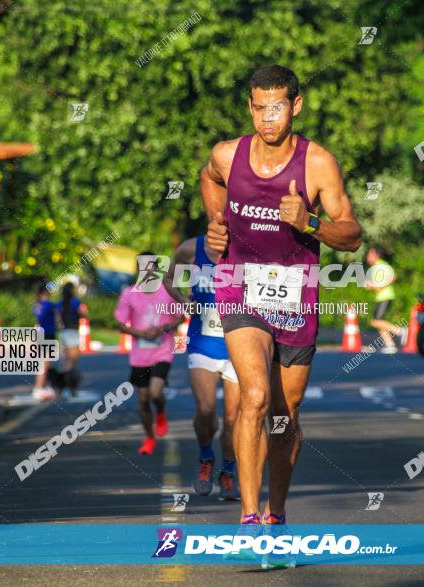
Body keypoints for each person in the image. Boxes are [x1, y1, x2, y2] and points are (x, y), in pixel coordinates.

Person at [201, 64, 362, 568]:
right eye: (257, 107)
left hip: (296, 297)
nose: (267, 118)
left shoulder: (318, 164)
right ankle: (249, 520)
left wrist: (309, 222)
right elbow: (208, 179)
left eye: (276, 107)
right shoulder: (228, 155)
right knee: (254, 395)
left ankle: (276, 514)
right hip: (239, 288)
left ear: (295, 105)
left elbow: (353, 236)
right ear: (250, 107)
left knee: (283, 417)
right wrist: (215, 225)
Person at [164, 236, 240, 500]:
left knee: (233, 420)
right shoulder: (191, 249)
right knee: (206, 411)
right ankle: (206, 457)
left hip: (239, 347)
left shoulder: (247, 246)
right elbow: (167, 278)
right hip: (203, 344)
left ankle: (228, 473)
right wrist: (184, 301)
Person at [114, 253, 183, 455]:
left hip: (162, 352)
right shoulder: (129, 293)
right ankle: (149, 437)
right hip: (139, 356)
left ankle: (160, 412)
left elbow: (180, 318)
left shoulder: (167, 292)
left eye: (152, 266)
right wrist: (140, 333)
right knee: (143, 399)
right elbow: (120, 324)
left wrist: (162, 329)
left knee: (155, 392)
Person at [364, 247, 406, 353]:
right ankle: (390, 345)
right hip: (381, 297)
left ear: (376, 255)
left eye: (370, 255)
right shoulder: (375, 267)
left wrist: (380, 286)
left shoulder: (380, 265)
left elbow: (393, 276)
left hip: (385, 296)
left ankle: (400, 331)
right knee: (378, 322)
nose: (368, 257)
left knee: (376, 321)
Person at [57, 282, 86, 396]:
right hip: (73, 332)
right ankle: (67, 386)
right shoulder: (75, 302)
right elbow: (83, 314)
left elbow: (58, 319)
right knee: (72, 361)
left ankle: (62, 385)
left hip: (64, 332)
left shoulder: (60, 303)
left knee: (66, 360)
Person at [32, 283, 59, 400]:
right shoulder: (49, 305)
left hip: (40, 334)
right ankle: (38, 388)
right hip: (48, 334)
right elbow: (59, 315)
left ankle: (42, 386)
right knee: (45, 363)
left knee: (42, 362)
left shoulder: (36, 306)